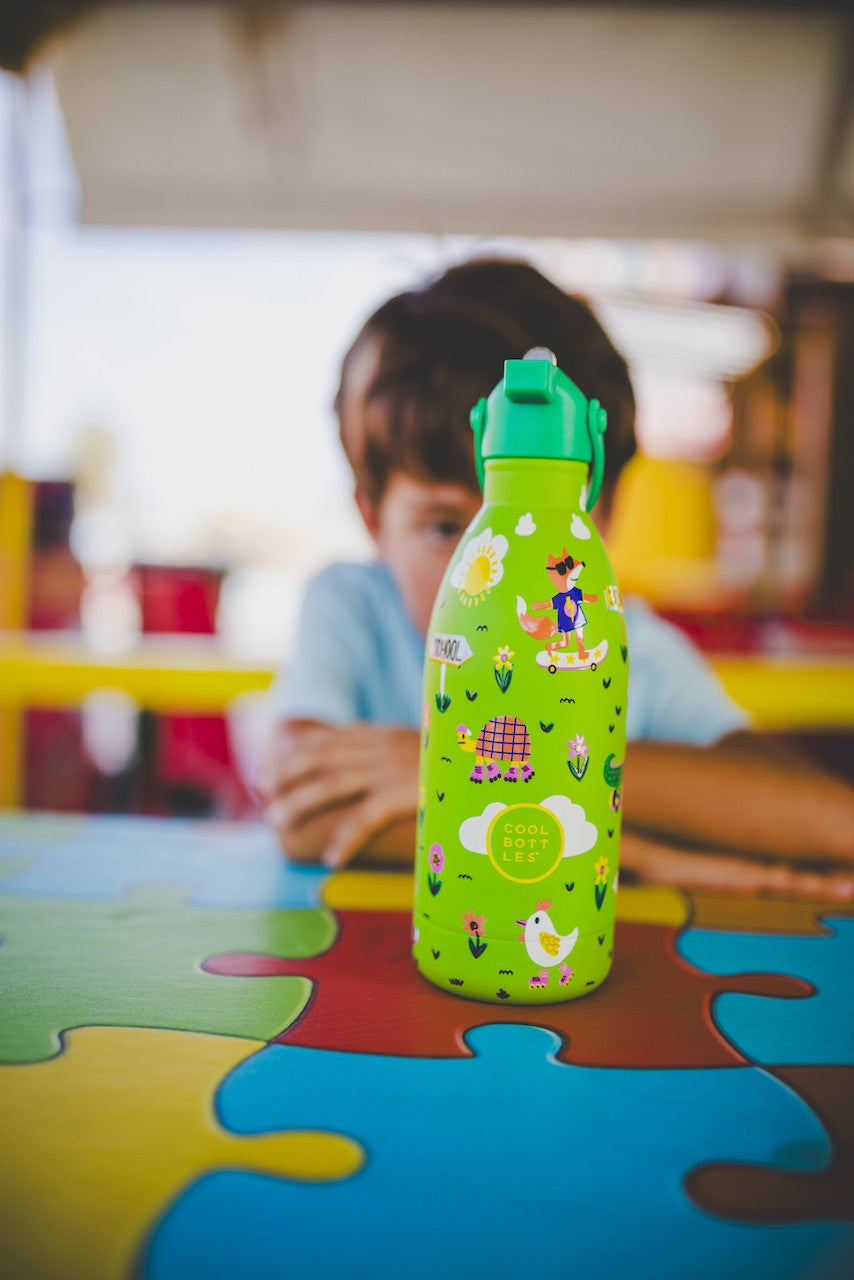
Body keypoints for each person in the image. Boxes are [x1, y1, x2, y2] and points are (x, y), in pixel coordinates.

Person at [260, 257, 854, 901]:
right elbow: (305, 815)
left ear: (608, 516)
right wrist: (631, 848)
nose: (499, 572)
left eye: (546, 524)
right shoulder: (351, 604)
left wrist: (452, 772)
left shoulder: (630, 644)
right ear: (374, 521)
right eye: (443, 526)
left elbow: (834, 824)